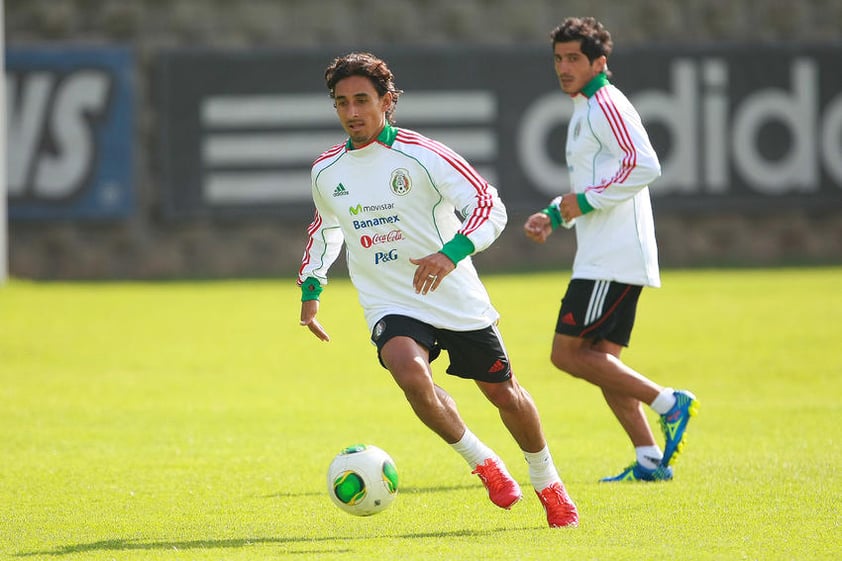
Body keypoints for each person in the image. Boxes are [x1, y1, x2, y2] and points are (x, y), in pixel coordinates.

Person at [298, 52, 578, 527]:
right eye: (341, 103)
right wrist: (311, 289)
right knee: (409, 373)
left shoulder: (423, 155)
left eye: (362, 100)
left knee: (504, 394)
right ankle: (483, 463)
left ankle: (547, 480)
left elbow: (490, 206)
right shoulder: (327, 171)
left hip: (453, 295)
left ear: (387, 101)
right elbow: (326, 230)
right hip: (390, 300)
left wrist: (451, 253)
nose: (352, 112)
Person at [523, 17, 699, 482]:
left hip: (613, 256)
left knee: (567, 354)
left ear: (599, 62)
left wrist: (577, 202)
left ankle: (668, 402)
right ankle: (649, 459)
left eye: (574, 59)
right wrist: (557, 215)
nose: (563, 67)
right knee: (602, 363)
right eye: (558, 58)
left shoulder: (605, 103)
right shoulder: (584, 107)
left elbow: (645, 165)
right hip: (605, 252)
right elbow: (598, 184)